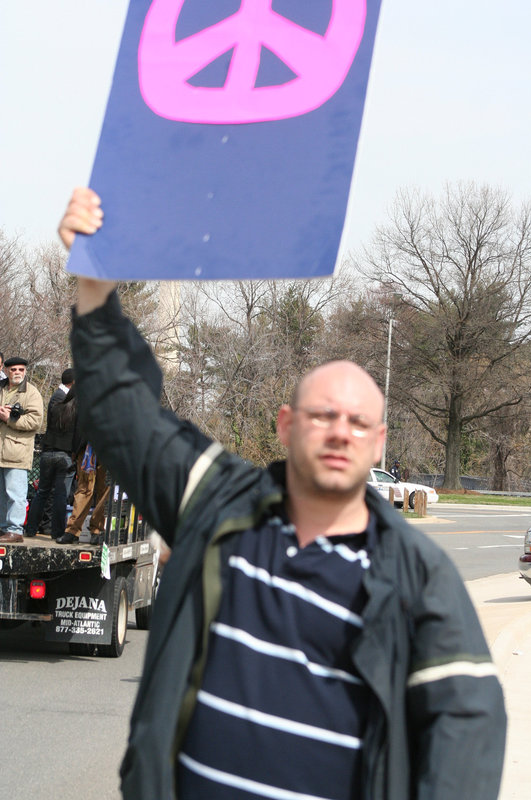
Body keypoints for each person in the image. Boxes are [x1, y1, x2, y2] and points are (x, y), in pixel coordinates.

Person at [60, 188, 506, 800]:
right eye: (322, 415)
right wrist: (94, 288)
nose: (339, 433)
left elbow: (467, 728)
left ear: (379, 445)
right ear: (286, 425)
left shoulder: (417, 574)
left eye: (357, 423)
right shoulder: (214, 503)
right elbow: (123, 414)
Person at [0, 356, 44, 543]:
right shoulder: (1, 388)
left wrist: (9, 418)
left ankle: (15, 530)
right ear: (6, 370)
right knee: (2, 495)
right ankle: (4, 528)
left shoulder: (31, 392)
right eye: (13, 369)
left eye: (21, 369)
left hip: (17, 452)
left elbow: (35, 421)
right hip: (1, 450)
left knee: (15, 493)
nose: (17, 372)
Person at [25, 385, 77, 540]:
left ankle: (31, 528)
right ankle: (58, 532)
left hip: (47, 453)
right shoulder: (77, 412)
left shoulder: (54, 407)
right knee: (61, 495)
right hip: (66, 455)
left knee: (42, 492)